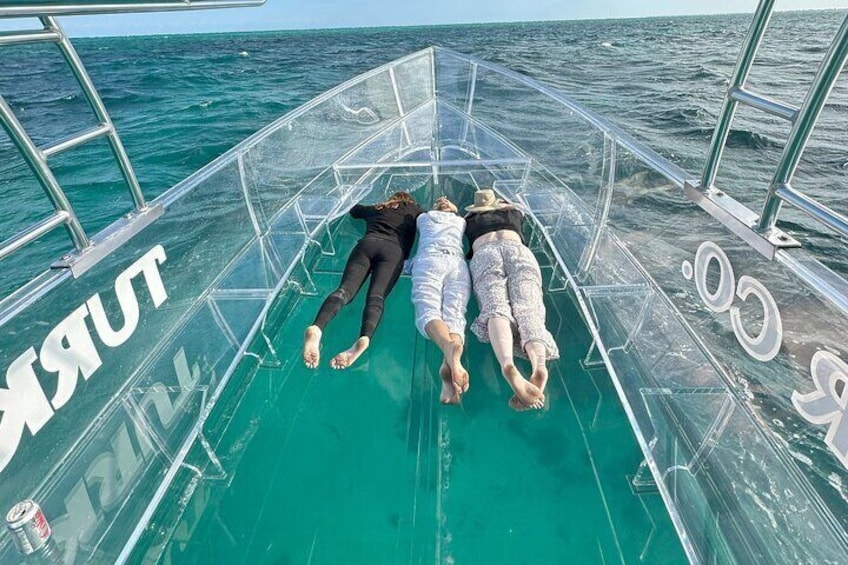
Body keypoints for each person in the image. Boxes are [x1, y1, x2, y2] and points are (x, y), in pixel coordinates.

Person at [303, 191, 424, 369]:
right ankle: (364, 338)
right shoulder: (415, 211)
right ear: (410, 201)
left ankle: (317, 327)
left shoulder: (378, 208)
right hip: (393, 250)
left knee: (344, 291)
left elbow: (353, 210)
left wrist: (353, 193)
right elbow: (432, 220)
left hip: (368, 243)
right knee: (376, 297)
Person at [464, 189, 559, 410]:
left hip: (485, 253)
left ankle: (507, 364)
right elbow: (520, 202)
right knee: (529, 310)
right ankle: (540, 365)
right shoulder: (515, 211)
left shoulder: (468, 219)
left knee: (495, 308)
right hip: (518, 251)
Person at [411, 196, 471, 405]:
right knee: (455, 313)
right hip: (457, 263)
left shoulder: (423, 218)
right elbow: (455, 211)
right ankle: (450, 361)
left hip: (430, 259)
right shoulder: (461, 221)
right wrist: (453, 207)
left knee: (427, 308)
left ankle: (447, 347)